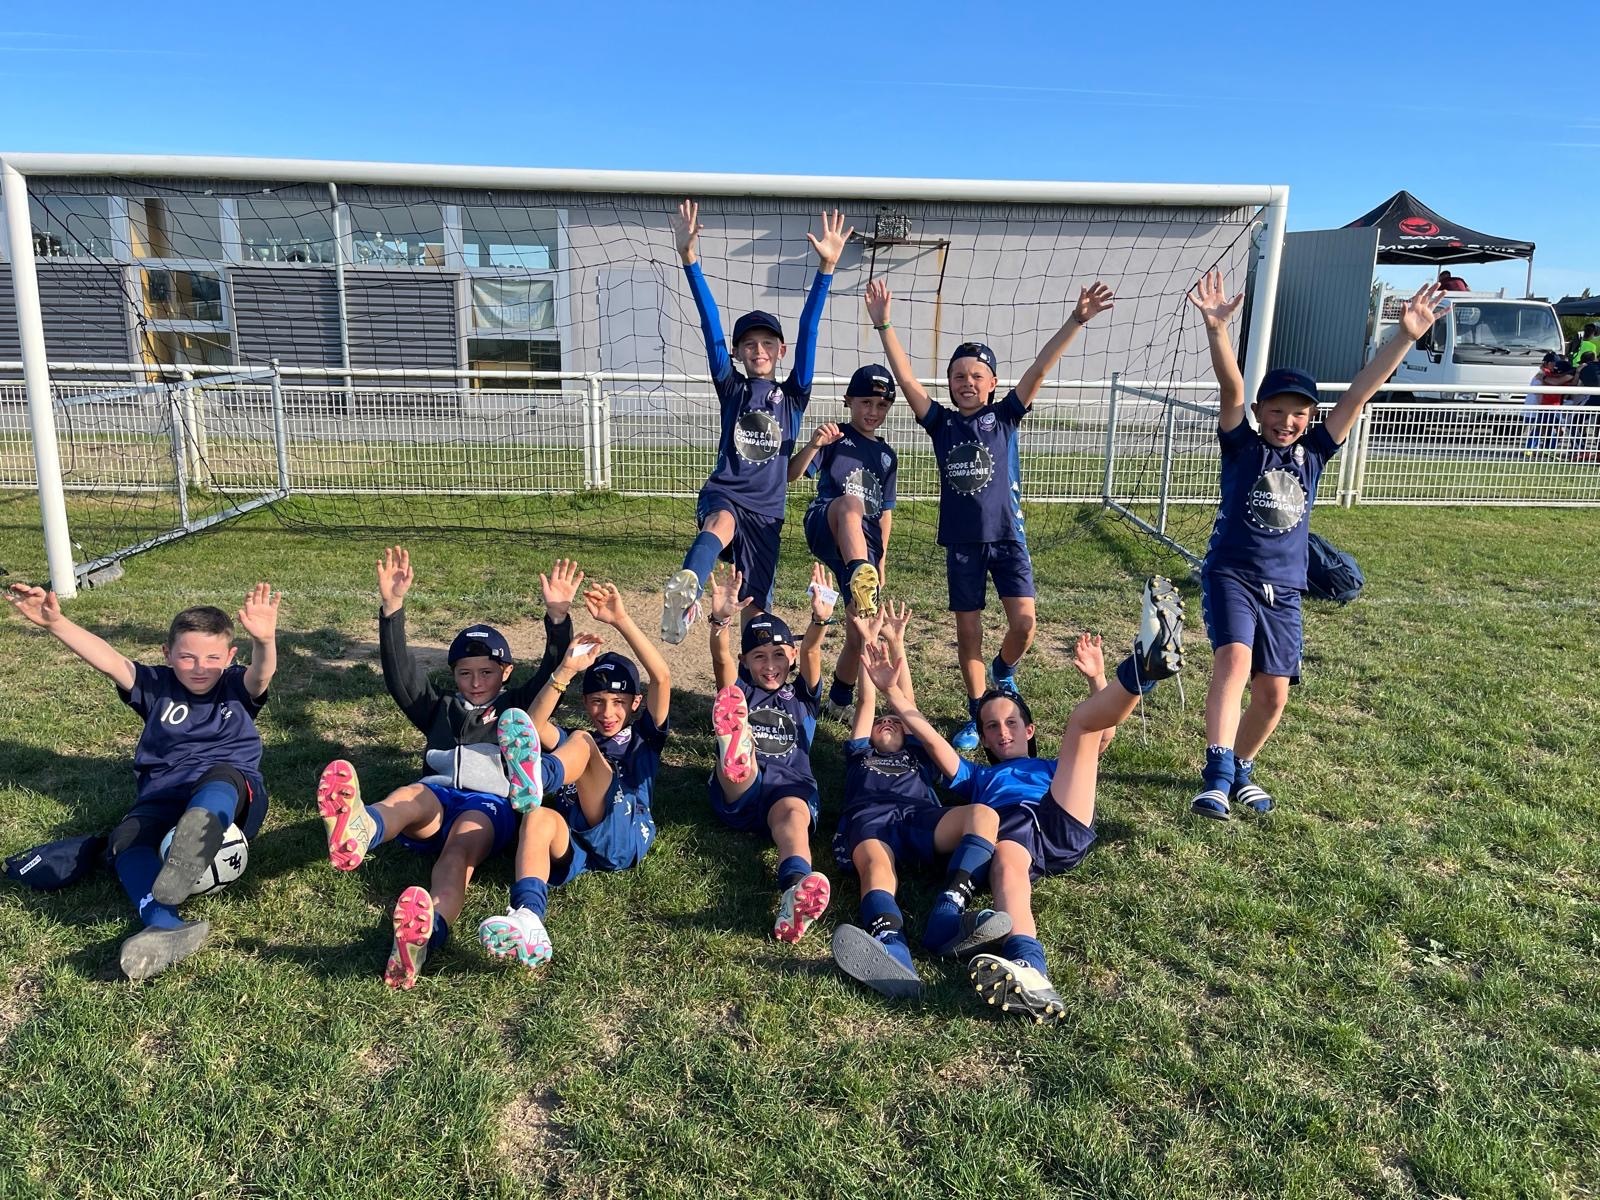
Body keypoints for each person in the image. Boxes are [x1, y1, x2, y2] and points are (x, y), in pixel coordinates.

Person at [862, 576, 1185, 1023]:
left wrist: (1097, 678)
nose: (1002, 732)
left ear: (1029, 730)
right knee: (1007, 863)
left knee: (1082, 727)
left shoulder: (1051, 766)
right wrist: (893, 693)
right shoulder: (978, 776)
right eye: (992, 727)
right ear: (984, 739)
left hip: (1060, 814)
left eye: (1011, 722)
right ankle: (1031, 969)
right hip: (1013, 833)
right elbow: (933, 740)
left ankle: (1142, 667)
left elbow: (1103, 732)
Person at [1186, 271, 1444, 819]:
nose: (1286, 421)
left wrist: (1404, 336)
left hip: (1287, 587)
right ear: (1261, 412)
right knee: (1234, 661)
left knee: (1273, 694)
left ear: (1310, 418)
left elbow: (1359, 392)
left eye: (1298, 413)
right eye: (1276, 410)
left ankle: (1243, 767)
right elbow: (1232, 389)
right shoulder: (1242, 447)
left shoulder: (1316, 453)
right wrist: (1217, 331)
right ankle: (1217, 775)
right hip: (1232, 575)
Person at [865, 275, 1114, 750]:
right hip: (962, 544)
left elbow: (1039, 368)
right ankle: (979, 710)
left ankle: (1004, 670)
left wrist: (1076, 320)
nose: (967, 382)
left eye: (977, 375)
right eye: (959, 376)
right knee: (968, 632)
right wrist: (884, 325)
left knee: (1024, 624)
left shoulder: (1004, 416)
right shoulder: (940, 424)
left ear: (993, 384)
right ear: (950, 384)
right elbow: (908, 380)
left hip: (1007, 537)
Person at [313, 548, 576, 989]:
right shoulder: (440, 709)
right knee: (408, 796)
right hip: (436, 797)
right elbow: (401, 677)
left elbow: (554, 675)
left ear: (506, 672)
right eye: (465, 673)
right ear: (453, 674)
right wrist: (392, 610)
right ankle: (361, 829)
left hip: (487, 807)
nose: (476, 682)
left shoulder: (517, 708)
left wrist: (558, 618)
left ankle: (426, 935)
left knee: (456, 856)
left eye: (487, 672)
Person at [5, 581, 280, 980]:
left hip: (230, 794)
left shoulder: (236, 684)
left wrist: (265, 641)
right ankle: (164, 923)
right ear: (167, 654)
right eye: (187, 657)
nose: (200, 667)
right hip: (163, 793)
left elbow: (262, 674)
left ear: (230, 656)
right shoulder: (156, 685)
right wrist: (56, 624)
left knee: (220, 780)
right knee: (125, 840)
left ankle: (200, 834)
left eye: (212, 658)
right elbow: (108, 660)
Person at [659, 199, 853, 644]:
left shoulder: (793, 395)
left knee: (755, 606)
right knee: (718, 525)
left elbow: (809, 329)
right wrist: (689, 259)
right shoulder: (732, 388)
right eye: (749, 344)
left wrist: (826, 269)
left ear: (780, 351)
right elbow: (710, 327)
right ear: (738, 353)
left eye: (767, 343)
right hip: (726, 493)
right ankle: (687, 589)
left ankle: (747, 673)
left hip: (767, 514)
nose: (758, 350)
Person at [476, 582, 671, 969]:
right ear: (585, 702)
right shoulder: (574, 740)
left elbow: (662, 677)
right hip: (578, 841)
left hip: (623, 831)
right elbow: (532, 726)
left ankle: (540, 777)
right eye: (597, 702)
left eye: (617, 702)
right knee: (537, 817)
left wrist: (620, 619)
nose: (607, 713)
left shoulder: (644, 739)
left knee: (581, 744)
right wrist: (565, 670)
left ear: (635, 703)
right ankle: (528, 917)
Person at [828, 602, 1011, 999]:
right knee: (875, 865)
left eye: (893, 722)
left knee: (983, 815)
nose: (886, 722)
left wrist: (897, 644)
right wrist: (867, 643)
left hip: (921, 817)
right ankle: (892, 947)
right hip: (870, 820)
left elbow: (907, 707)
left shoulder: (917, 752)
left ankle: (947, 913)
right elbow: (867, 703)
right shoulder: (860, 752)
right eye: (880, 723)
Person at [707, 563, 836, 942]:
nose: (769, 665)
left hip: (788, 788)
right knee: (738, 759)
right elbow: (721, 658)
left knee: (793, 818)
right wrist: (720, 621)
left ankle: (794, 891)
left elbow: (813, 648)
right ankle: (735, 747)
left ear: (792, 656)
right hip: (742, 789)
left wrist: (820, 619)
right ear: (745, 661)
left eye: (778, 655)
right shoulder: (740, 691)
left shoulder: (802, 697)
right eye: (759, 656)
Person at [788, 363, 899, 721]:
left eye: (881, 405)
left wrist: (880, 563)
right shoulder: (835, 438)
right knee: (851, 503)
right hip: (827, 521)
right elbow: (791, 474)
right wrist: (813, 444)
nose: (873, 411)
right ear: (848, 401)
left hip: (863, 546)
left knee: (861, 630)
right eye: (866, 402)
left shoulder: (887, 456)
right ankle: (859, 571)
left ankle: (838, 699)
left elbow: (884, 513)